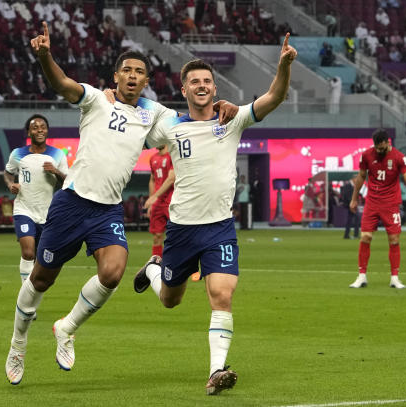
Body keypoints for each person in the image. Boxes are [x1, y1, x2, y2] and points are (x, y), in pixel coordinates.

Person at [4, 21, 239, 386]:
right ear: (115, 76)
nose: (132, 76)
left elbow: (194, 121)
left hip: (107, 210)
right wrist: (45, 56)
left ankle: (66, 328)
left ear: (147, 82)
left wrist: (221, 105)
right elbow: (62, 83)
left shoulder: (155, 116)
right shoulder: (96, 98)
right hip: (72, 202)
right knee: (41, 278)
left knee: (113, 271)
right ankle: (18, 343)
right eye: (126, 71)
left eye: (139, 72)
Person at [133, 34, 297, 395]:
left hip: (219, 228)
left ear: (214, 86)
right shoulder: (169, 127)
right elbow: (132, 110)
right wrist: (114, 95)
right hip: (180, 230)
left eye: (207, 81)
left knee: (222, 294)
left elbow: (274, 98)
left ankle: (216, 371)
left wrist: (283, 66)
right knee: (170, 300)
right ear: (184, 88)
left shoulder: (233, 119)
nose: (202, 85)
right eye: (195, 81)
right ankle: (153, 269)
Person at [348, 129, 406, 289]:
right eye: (377, 148)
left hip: (391, 204)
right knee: (365, 237)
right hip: (372, 202)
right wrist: (354, 199)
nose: (379, 151)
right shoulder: (367, 155)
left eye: (382, 148)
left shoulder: (399, 158)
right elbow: (361, 176)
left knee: (394, 240)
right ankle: (361, 276)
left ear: (388, 142)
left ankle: (394, 278)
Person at [4, 114, 68, 283]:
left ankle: (31, 294)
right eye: (35, 127)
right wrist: (11, 184)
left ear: (47, 131)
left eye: (43, 127)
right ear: (28, 133)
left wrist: (56, 172)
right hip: (23, 210)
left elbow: (68, 183)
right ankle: (25, 295)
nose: (40, 130)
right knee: (28, 253)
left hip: (47, 214)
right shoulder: (17, 154)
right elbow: (8, 173)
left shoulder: (58, 155)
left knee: (40, 259)